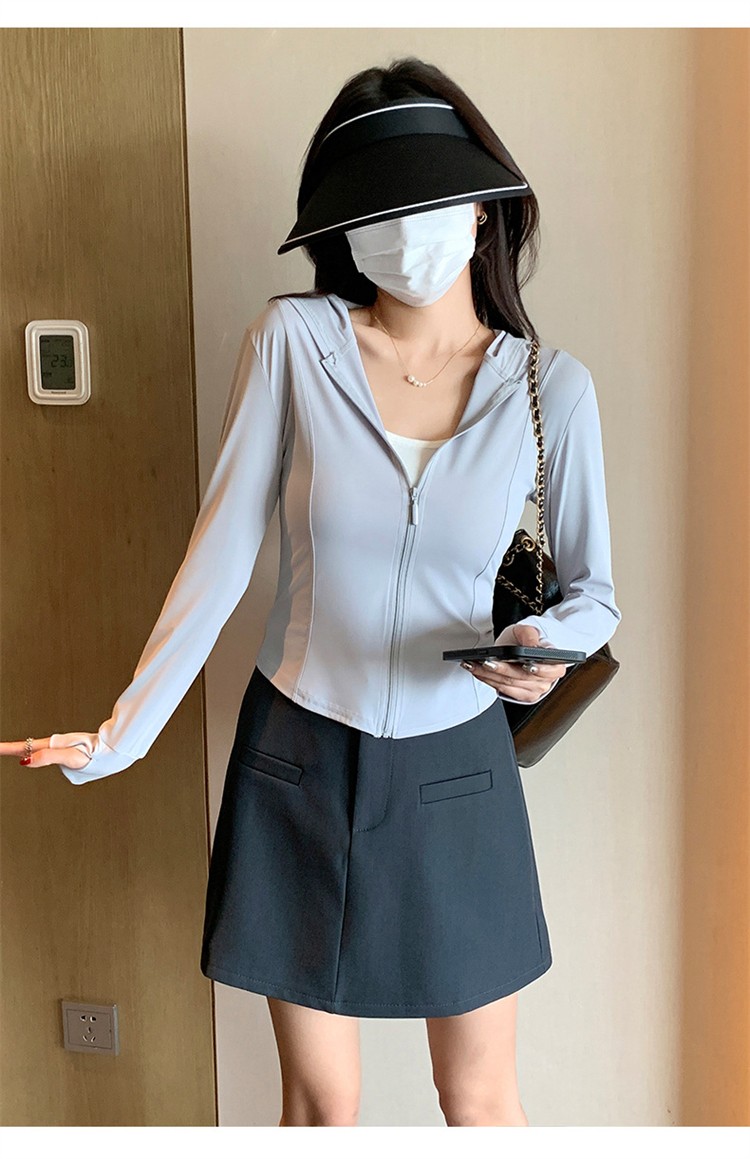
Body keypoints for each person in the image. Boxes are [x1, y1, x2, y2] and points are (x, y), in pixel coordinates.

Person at [3, 57, 621, 1126]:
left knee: (480, 1102)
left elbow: (597, 593)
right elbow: (221, 551)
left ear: (482, 207)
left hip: (459, 766)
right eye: (374, 210)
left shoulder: (550, 388)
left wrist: (542, 646)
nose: (402, 231)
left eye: (424, 200)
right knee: (322, 1107)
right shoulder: (292, 342)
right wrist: (121, 734)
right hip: (297, 755)